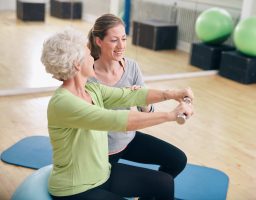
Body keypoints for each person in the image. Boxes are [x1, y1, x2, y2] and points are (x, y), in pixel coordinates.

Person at [41, 27, 194, 200]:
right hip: (76, 188)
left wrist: (173, 94)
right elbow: (118, 120)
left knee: (164, 183)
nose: (93, 57)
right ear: (77, 63)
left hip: (103, 174)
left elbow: (132, 94)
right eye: (89, 54)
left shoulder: (91, 89)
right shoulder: (64, 103)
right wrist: (171, 115)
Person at [87, 13, 188, 181]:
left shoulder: (131, 66)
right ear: (99, 41)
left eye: (124, 39)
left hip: (128, 139)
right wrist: (126, 96)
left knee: (178, 160)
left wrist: (141, 98)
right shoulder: (88, 76)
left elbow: (146, 111)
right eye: (114, 40)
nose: (121, 46)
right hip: (102, 149)